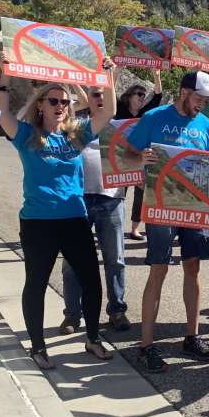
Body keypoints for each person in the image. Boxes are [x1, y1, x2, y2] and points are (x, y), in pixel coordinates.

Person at [0, 55, 118, 370]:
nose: (60, 105)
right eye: (53, 100)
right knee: (36, 283)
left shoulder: (75, 133)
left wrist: (107, 78)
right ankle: (37, 347)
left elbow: (109, 111)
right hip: (38, 222)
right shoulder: (25, 134)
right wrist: (5, 76)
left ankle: (92, 338)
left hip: (74, 219)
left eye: (64, 101)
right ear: (41, 105)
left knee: (92, 281)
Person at [125, 70, 209, 373]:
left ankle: (192, 336)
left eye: (206, 99)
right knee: (159, 269)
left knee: (193, 267)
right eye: (199, 98)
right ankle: (146, 346)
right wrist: (141, 163)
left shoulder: (207, 126)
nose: (202, 104)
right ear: (183, 92)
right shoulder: (154, 117)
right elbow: (126, 154)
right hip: (161, 206)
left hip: (194, 209)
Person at [59, 84, 130, 335]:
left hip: (111, 200)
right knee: (71, 262)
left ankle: (117, 311)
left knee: (116, 260)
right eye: (95, 94)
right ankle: (72, 315)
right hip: (77, 200)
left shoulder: (121, 125)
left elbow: (135, 156)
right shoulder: (73, 124)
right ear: (86, 97)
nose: (100, 99)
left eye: (103, 94)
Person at [119, 70, 163, 241]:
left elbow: (158, 96)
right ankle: (113, 225)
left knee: (139, 193)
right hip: (120, 158)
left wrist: (157, 76)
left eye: (143, 95)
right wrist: (115, 70)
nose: (142, 97)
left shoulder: (146, 113)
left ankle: (134, 229)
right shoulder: (120, 109)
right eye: (139, 94)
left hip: (140, 159)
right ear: (129, 96)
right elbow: (110, 88)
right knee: (118, 193)